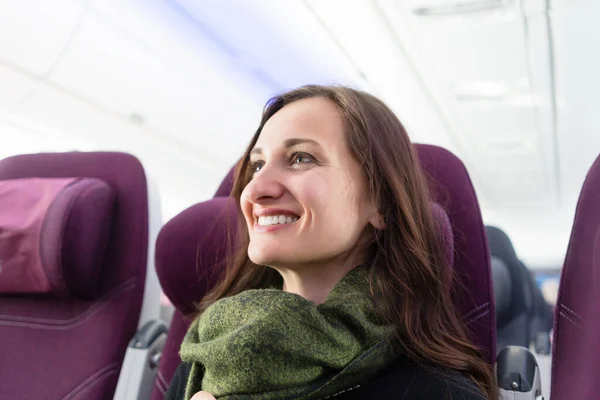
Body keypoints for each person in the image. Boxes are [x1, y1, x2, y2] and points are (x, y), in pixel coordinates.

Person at [166, 85, 497, 400]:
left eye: (301, 158)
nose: (255, 189)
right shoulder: (205, 357)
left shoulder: (435, 392)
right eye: (256, 165)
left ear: (380, 202)